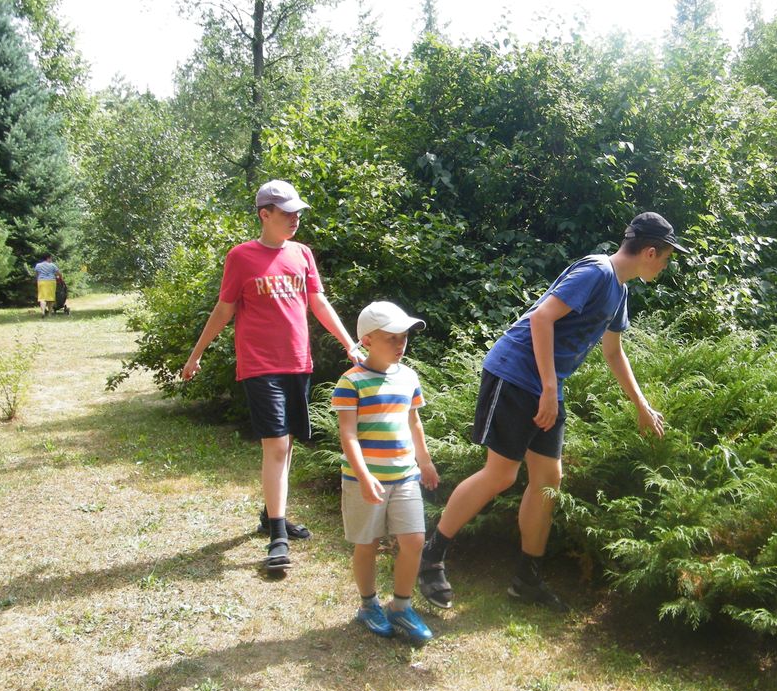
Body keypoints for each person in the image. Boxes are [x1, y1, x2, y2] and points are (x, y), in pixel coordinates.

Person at [419, 212, 685, 611]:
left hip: (545, 385)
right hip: (515, 373)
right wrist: (547, 388)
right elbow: (542, 318)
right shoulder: (596, 272)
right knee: (502, 473)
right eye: (665, 257)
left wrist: (641, 405)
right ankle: (429, 556)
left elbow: (613, 352)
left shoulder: (620, 292)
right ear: (650, 251)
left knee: (548, 479)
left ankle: (526, 578)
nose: (664, 265)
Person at [181, 179, 361, 573]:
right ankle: (278, 535)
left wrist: (350, 343)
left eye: (297, 212)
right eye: (287, 213)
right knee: (276, 445)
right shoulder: (241, 257)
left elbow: (319, 303)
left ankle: (270, 514)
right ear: (265, 214)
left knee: (287, 441)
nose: (295, 219)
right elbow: (223, 311)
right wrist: (196, 356)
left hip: (299, 362)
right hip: (260, 365)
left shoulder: (302, 254)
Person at [331, 301, 439, 645]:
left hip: (405, 476)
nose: (400, 344)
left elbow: (414, 421)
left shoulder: (408, 376)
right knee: (368, 544)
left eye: (404, 336)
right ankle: (368, 605)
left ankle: (401, 607)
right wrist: (363, 476)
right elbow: (347, 434)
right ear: (366, 340)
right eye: (391, 337)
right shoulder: (351, 382)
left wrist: (424, 461)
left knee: (414, 541)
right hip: (365, 480)